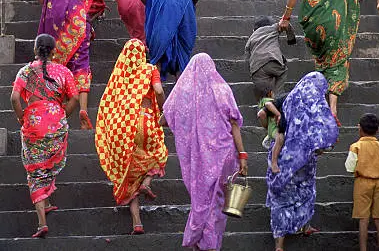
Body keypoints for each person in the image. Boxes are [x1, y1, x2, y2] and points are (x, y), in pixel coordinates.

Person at [161, 53, 248, 251]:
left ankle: (199, 242)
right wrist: (243, 155)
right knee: (216, 202)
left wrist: (187, 123)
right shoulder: (222, 89)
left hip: (197, 158)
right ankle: (210, 244)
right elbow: (234, 123)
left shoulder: (183, 92)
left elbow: (164, 119)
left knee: (200, 199)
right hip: (223, 155)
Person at [279, 0, 360, 122]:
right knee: (338, 61)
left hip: (313, 26)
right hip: (335, 24)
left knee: (322, 59)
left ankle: (320, 98)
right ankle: (332, 108)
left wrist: (286, 17)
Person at [35, 0, 105, 129]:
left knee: (55, 63)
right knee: (81, 63)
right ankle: (82, 108)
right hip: (78, 23)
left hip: (54, 25)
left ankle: (55, 104)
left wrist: (49, 7)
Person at [95, 39, 167, 235]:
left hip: (123, 128)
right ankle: (147, 183)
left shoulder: (119, 74)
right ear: (142, 53)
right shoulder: (149, 69)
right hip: (145, 122)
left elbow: (107, 102)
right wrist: (163, 108)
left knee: (129, 176)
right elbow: (159, 90)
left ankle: (137, 222)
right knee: (158, 153)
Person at [10, 34, 79, 238]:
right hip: (56, 123)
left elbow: (14, 97)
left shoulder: (25, 71)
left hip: (34, 123)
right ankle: (47, 202)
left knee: (36, 170)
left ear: (35, 50)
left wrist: (22, 117)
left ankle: (41, 223)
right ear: (54, 51)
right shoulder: (64, 71)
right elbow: (75, 97)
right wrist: (63, 114)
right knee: (48, 163)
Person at [266, 72, 339, 251]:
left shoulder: (289, 99)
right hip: (305, 162)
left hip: (283, 158)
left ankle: (279, 246)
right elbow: (325, 138)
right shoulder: (317, 106)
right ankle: (305, 226)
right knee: (305, 194)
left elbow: (263, 111)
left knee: (281, 199)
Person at [345, 113, 379, 251]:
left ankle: (363, 249)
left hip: (362, 183)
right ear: (378, 130)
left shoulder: (355, 146)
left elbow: (349, 167)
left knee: (363, 219)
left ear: (359, 128)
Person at [245, 15, 294, 100]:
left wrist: (251, 72)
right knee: (282, 72)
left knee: (264, 97)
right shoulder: (273, 28)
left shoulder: (251, 38)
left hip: (256, 70)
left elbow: (247, 56)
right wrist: (291, 39)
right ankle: (278, 95)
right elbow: (286, 24)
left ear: (254, 30)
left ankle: (264, 106)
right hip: (272, 61)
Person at [258, 92, 289, 174]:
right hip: (277, 129)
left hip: (276, 128)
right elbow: (262, 111)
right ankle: (274, 163)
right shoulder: (274, 102)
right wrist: (279, 115)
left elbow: (261, 114)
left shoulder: (275, 102)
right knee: (280, 138)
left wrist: (266, 127)